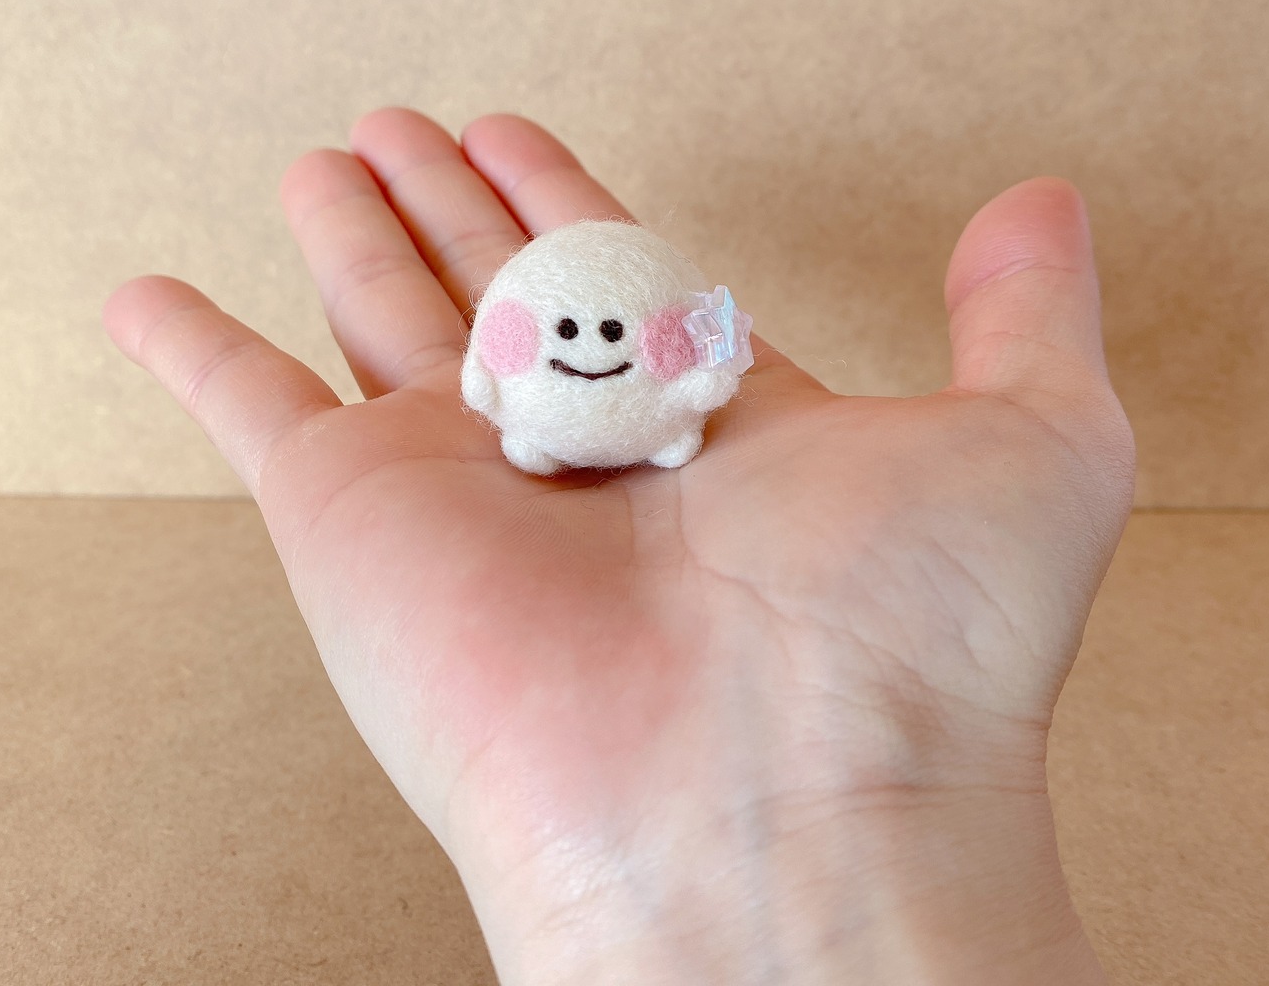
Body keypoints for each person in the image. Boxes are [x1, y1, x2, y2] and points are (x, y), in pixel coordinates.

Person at [103, 107, 1135, 984]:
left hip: (656, 427)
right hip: (547, 430)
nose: (592, 348)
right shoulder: (508, 349)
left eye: (612, 334)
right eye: (567, 333)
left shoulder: (683, 362)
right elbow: (486, 370)